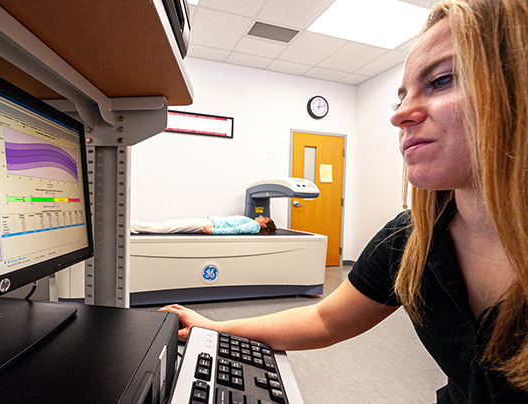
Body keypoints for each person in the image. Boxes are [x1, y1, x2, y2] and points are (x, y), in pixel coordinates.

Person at [160, 1, 528, 402]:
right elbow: (324, 320)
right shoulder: (409, 241)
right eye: (399, 98)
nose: (400, 114)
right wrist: (211, 327)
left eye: (442, 80)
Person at [131, 215, 276, 235]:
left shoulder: (254, 226)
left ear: (264, 226)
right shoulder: (253, 223)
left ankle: (135, 226)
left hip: (210, 224)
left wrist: (214, 231)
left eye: (265, 218)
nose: (262, 216)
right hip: (209, 221)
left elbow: (236, 230)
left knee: (171, 227)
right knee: (172, 224)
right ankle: (136, 226)